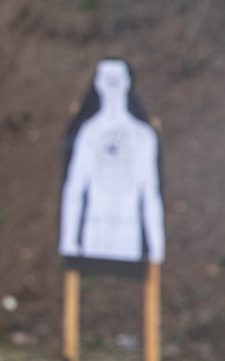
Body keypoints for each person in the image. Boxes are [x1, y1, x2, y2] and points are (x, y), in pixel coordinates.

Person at [58, 58, 165, 267]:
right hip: (95, 226)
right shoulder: (89, 133)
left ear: (127, 83)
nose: (113, 86)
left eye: (117, 80)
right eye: (108, 80)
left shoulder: (142, 136)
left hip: (128, 226)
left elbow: (150, 192)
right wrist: (69, 240)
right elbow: (75, 187)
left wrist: (156, 246)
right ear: (98, 84)